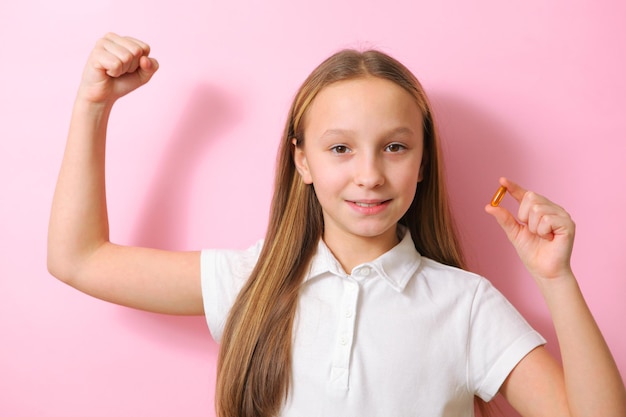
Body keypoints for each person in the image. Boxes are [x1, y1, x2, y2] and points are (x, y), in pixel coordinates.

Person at [47, 33, 626, 417]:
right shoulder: (249, 280)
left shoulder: (467, 305)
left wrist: (557, 279)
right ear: (302, 161)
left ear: (422, 162)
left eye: (395, 147)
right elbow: (79, 259)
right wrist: (93, 106)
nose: (369, 175)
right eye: (341, 148)